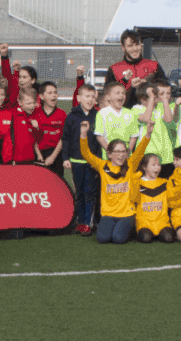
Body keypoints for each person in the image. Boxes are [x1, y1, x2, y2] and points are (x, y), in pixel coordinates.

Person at [78, 120, 152, 244]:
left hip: (126, 213)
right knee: (103, 239)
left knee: (118, 239)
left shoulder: (130, 164)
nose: (121, 155)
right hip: (108, 213)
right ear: (110, 154)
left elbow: (140, 150)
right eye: (117, 152)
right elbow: (86, 154)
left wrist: (148, 134)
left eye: (123, 151)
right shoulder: (102, 166)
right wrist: (83, 135)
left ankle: (130, 226)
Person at [63, 81, 99, 235]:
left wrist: (97, 160)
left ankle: (88, 224)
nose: (90, 99)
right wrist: (65, 157)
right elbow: (65, 138)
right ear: (79, 98)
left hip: (91, 163)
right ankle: (80, 221)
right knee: (79, 192)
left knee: (89, 192)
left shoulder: (98, 116)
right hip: (76, 161)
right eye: (87, 96)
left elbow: (99, 139)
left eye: (92, 96)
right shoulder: (71, 117)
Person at [132, 154, 174, 243]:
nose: (157, 168)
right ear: (144, 167)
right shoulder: (138, 181)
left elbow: (172, 198)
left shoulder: (164, 182)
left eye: (159, 165)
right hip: (144, 222)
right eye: (153, 165)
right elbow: (134, 199)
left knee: (168, 238)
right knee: (146, 238)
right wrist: (135, 181)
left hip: (162, 222)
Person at [96, 82, 140, 157]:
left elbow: (134, 135)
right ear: (109, 97)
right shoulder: (102, 113)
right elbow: (99, 136)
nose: (121, 95)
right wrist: (110, 152)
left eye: (123, 93)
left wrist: (128, 150)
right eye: (117, 93)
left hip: (125, 157)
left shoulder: (130, 113)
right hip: (109, 158)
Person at [4, 88, 41, 165]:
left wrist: (37, 128)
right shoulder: (13, 115)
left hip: (31, 159)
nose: (32, 106)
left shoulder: (35, 116)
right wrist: (10, 158)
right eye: (28, 103)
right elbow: (8, 138)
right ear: (20, 102)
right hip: (16, 161)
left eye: (33, 103)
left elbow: (38, 139)